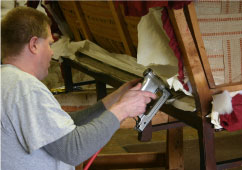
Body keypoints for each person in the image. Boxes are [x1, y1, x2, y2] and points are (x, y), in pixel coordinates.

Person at [1, 7, 156, 170]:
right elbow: (73, 149)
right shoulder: (24, 88)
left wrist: (113, 101)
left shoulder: (8, 81)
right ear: (33, 45)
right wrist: (123, 109)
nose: (52, 52)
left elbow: (61, 128)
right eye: (49, 44)